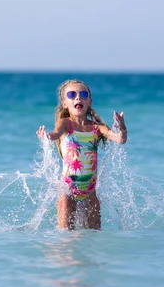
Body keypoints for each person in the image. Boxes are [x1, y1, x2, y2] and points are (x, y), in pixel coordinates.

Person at [36, 79, 127, 230]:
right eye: (72, 95)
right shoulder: (66, 124)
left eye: (83, 94)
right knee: (66, 238)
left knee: (93, 238)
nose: (78, 98)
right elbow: (56, 133)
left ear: (89, 101)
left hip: (90, 193)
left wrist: (122, 127)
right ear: (65, 103)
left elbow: (120, 139)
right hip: (67, 191)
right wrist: (47, 136)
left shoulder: (98, 128)